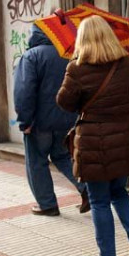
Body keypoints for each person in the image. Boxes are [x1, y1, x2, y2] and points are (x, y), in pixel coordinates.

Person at [56, 15, 129, 256]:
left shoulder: (77, 68)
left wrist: (69, 74)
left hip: (95, 142)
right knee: (118, 191)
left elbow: (64, 103)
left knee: (98, 200)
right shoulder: (126, 63)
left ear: (82, 39)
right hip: (124, 138)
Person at [14, 25, 89, 216]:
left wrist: (25, 122)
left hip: (40, 123)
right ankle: (86, 188)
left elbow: (24, 92)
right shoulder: (69, 56)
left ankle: (47, 204)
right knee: (62, 155)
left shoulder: (32, 56)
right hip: (66, 120)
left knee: (37, 161)